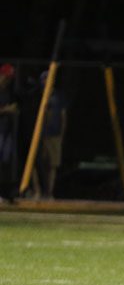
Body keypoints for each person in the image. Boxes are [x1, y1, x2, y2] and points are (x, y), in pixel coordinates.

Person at [36, 70, 67, 199]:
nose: (45, 82)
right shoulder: (38, 96)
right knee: (38, 163)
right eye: (43, 79)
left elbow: (63, 116)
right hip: (40, 135)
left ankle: (49, 193)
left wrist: (62, 134)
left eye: (47, 79)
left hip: (54, 134)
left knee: (52, 164)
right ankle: (38, 191)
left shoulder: (58, 97)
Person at [0, 63, 18, 201]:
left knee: (5, 162)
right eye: (7, 77)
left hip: (6, 131)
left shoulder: (7, 91)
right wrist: (7, 109)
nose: (8, 80)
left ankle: (4, 192)